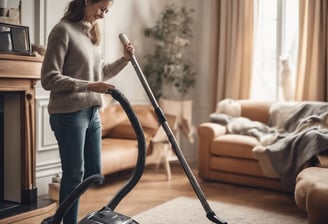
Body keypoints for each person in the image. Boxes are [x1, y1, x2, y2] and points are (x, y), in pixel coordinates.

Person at [40, 0, 135, 223]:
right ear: (87, 1)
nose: (103, 15)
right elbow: (48, 78)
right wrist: (89, 86)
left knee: (94, 172)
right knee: (74, 175)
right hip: (69, 114)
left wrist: (125, 59)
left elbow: (101, 72)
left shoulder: (92, 35)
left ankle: (59, 217)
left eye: (107, 11)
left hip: (92, 112)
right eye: (101, 9)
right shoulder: (62, 30)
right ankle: (66, 221)